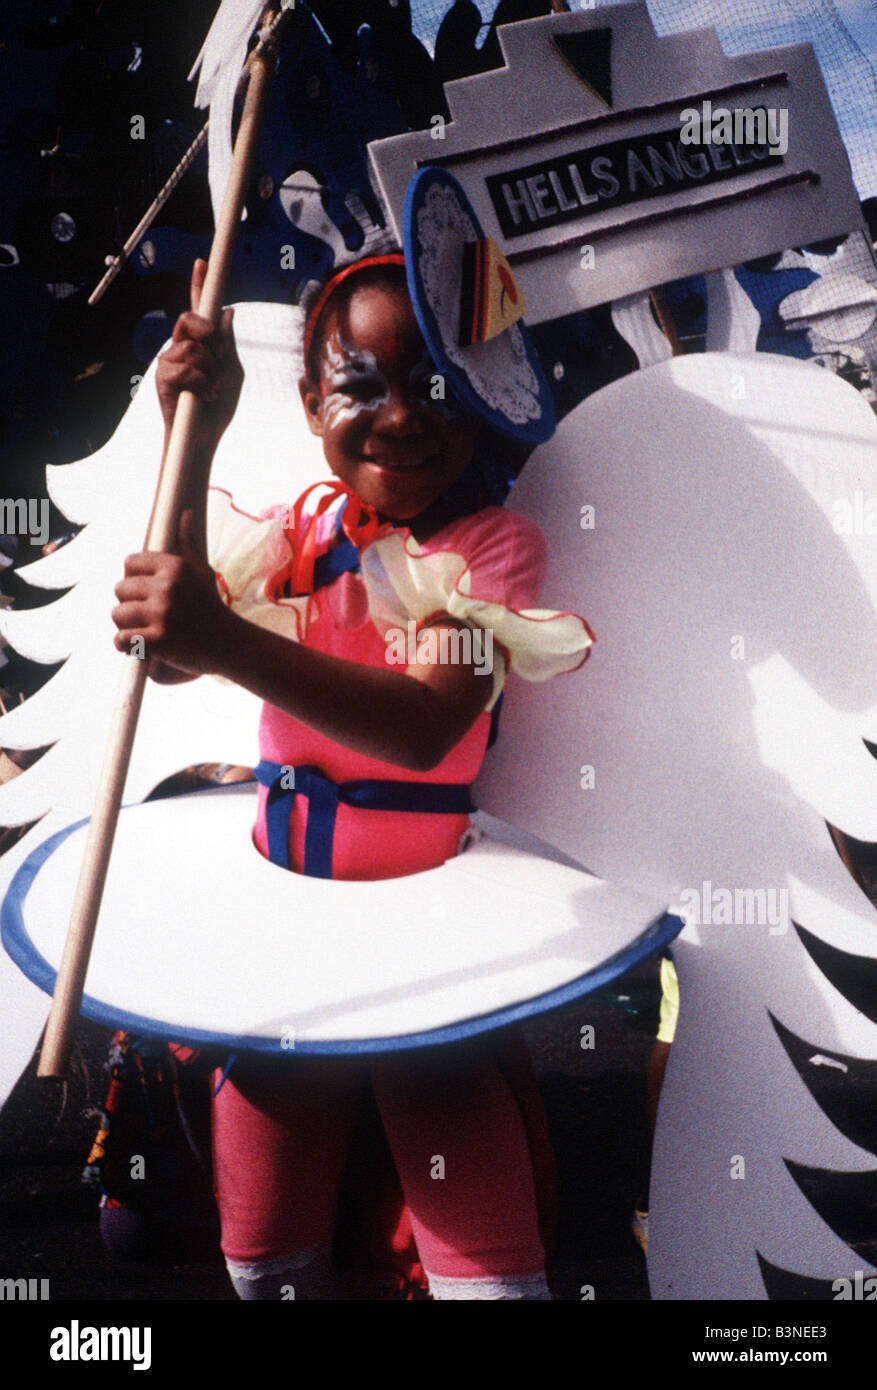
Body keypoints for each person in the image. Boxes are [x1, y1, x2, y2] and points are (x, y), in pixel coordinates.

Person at [111, 253, 592, 1299]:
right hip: (287, 946)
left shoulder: (495, 554)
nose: (400, 418)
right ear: (309, 399)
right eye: (359, 385)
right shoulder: (303, 526)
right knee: (266, 1255)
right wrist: (190, 433)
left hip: (434, 951)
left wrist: (218, 637)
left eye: (434, 383)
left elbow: (425, 727)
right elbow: (175, 646)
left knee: (485, 1258)